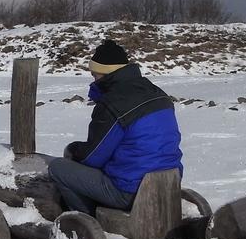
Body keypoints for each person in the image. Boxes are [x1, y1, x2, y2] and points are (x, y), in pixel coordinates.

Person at [48, 40, 183, 216]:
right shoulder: (156, 92)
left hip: (130, 191)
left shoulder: (114, 103)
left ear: (104, 74)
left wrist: (73, 151)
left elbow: (93, 157)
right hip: (168, 183)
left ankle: (88, 218)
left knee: (58, 168)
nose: (93, 79)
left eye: (94, 75)